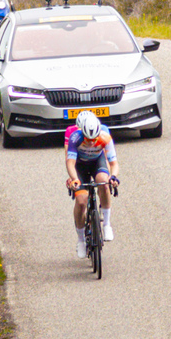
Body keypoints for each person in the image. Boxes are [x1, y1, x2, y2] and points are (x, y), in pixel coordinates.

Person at [65, 107, 119, 252]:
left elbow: (113, 163)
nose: (90, 143)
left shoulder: (105, 136)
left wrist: (113, 177)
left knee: (104, 181)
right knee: (81, 200)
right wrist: (75, 179)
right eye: (87, 139)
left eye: (93, 139)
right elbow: (70, 163)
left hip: (97, 162)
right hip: (80, 165)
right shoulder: (75, 138)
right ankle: (81, 240)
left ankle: (107, 224)